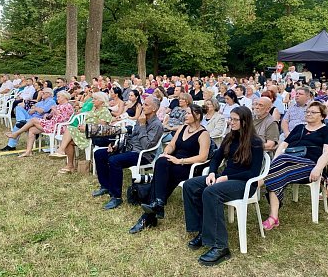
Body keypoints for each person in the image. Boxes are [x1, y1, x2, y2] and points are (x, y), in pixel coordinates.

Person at [182, 106, 264, 265]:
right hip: (225, 178)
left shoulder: (255, 142)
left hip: (244, 183)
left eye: (234, 120)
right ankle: (202, 230)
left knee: (211, 192)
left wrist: (226, 177)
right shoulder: (230, 137)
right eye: (230, 118)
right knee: (190, 185)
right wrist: (212, 172)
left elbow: (253, 173)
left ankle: (220, 246)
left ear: (245, 122)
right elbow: (215, 158)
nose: (230, 122)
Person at [129, 104, 210, 234]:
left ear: (198, 116)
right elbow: (172, 145)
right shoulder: (183, 128)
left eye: (188, 113)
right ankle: (158, 203)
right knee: (161, 161)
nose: (185, 115)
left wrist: (180, 161)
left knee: (162, 175)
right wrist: (166, 152)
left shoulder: (203, 133)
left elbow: (203, 156)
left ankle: (151, 214)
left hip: (188, 166)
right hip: (174, 161)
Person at [262, 101, 328, 230]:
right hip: (287, 164)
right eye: (307, 111)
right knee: (277, 171)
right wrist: (275, 160)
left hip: (309, 165)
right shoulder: (299, 127)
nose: (309, 114)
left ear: (322, 116)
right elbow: (283, 145)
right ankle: (273, 217)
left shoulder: (327, 131)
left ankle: (255, 184)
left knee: (280, 163)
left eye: (313, 112)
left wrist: (318, 168)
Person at [92, 96, 163, 210]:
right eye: (143, 104)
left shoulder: (156, 125)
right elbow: (131, 137)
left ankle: (116, 197)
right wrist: (116, 145)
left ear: (154, 109)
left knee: (114, 161)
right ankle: (105, 186)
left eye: (146, 105)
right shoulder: (141, 119)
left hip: (142, 155)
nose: (143, 106)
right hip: (129, 149)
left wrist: (143, 125)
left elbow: (147, 146)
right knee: (99, 154)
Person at [50, 92, 112, 174]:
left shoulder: (105, 112)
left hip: (94, 134)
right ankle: (70, 165)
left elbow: (100, 128)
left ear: (102, 101)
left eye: (95, 99)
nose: (93, 101)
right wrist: (82, 126)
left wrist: (86, 128)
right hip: (85, 131)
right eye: (93, 98)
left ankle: (61, 150)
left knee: (70, 128)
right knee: (69, 141)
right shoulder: (94, 109)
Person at [5, 91, 74, 157]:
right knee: (32, 129)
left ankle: (16, 134)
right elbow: (51, 116)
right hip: (52, 124)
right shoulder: (60, 105)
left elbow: (61, 119)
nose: (57, 98)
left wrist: (54, 110)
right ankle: (28, 152)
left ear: (64, 97)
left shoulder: (67, 106)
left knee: (33, 120)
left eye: (59, 97)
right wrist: (47, 115)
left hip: (58, 127)